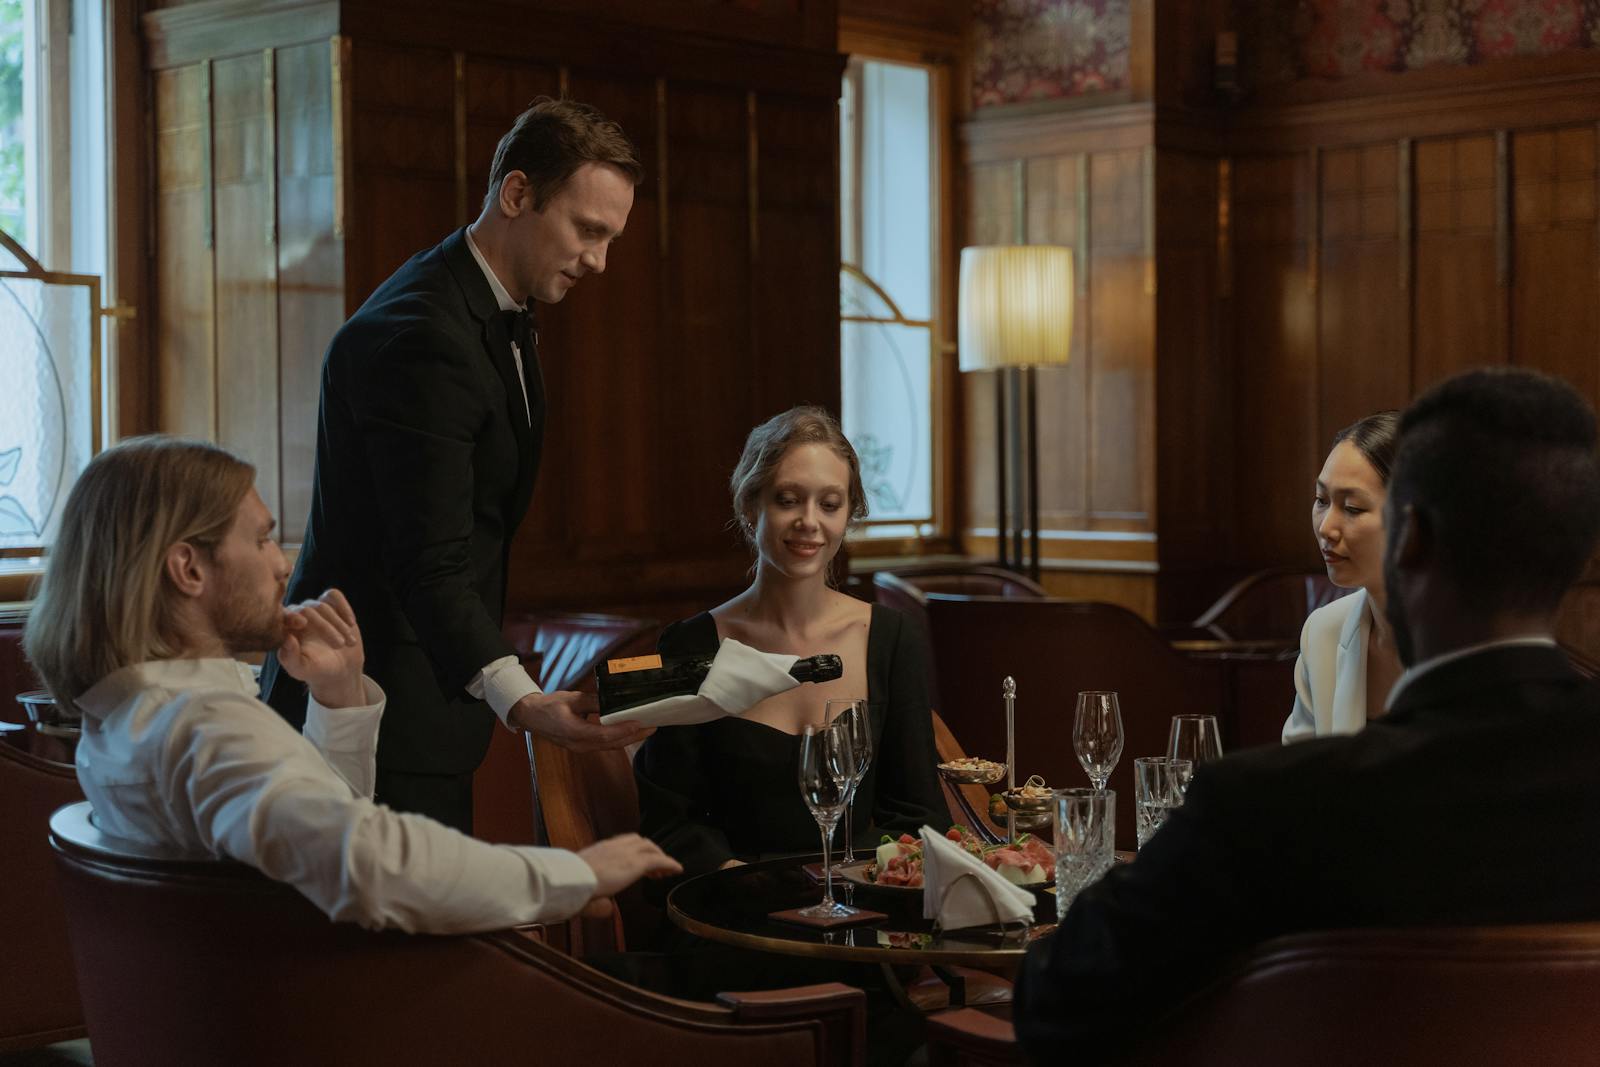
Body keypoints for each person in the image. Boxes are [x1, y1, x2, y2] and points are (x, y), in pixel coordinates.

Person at [1015, 367, 1600, 1064]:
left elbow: (1055, 998)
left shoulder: (1264, 807)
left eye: (1353, 507)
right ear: (1576, 559)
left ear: (1407, 540)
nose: (1329, 526)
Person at [25, 437, 679, 934]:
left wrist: (337, 701)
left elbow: (314, 842)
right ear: (188, 568)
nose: (283, 563)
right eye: (261, 539)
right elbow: (370, 864)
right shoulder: (206, 726)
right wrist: (577, 871)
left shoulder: (122, 721)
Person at [262, 97, 650, 833]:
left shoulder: (491, 304)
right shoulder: (423, 334)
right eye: (589, 230)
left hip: (421, 705)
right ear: (517, 193)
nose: (599, 260)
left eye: (611, 239)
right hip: (369, 712)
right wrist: (525, 699)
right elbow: (428, 562)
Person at [633, 406, 949, 884]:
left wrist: (856, 890)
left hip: (859, 915)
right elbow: (669, 824)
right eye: (788, 499)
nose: (809, 521)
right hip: (735, 911)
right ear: (750, 505)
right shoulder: (689, 643)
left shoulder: (891, 638)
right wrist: (750, 885)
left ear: (849, 515)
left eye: (829, 503)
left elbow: (918, 818)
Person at [1283, 410, 1402, 741]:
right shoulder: (1323, 632)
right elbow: (1298, 777)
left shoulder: (1474, 644)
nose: (1326, 527)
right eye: (1321, 500)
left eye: (1352, 508)